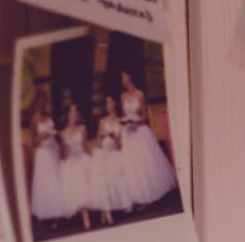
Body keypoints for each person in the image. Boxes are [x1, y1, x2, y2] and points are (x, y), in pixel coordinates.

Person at [118, 72, 178, 208]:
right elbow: (125, 114)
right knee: (134, 165)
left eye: (124, 77)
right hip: (128, 133)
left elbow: (145, 116)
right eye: (122, 79)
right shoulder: (123, 96)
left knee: (145, 161)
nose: (123, 81)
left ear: (130, 77)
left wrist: (135, 121)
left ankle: (154, 194)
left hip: (139, 130)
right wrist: (125, 121)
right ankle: (141, 197)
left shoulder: (140, 94)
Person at [90, 96, 133, 225]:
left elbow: (120, 145)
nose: (108, 105)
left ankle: (114, 208)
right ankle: (105, 209)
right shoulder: (102, 121)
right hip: (104, 153)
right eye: (106, 102)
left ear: (115, 104)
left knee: (117, 174)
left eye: (110, 102)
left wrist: (114, 137)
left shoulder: (121, 121)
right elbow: (98, 143)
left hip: (115, 153)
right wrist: (103, 136)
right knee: (102, 175)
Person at [30, 104, 68, 226]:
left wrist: (56, 135)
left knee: (55, 183)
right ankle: (47, 215)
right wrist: (40, 138)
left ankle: (57, 215)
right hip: (43, 155)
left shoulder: (50, 119)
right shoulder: (35, 122)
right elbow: (33, 143)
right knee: (45, 185)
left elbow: (57, 137)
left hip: (53, 153)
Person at [60, 103, 93, 230]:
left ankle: (93, 213)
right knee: (74, 176)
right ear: (68, 114)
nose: (76, 113)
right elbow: (63, 154)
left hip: (82, 159)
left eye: (76, 111)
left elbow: (86, 148)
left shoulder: (82, 129)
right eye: (73, 111)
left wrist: (94, 160)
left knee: (86, 173)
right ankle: (84, 215)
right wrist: (66, 151)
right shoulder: (63, 133)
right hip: (71, 162)